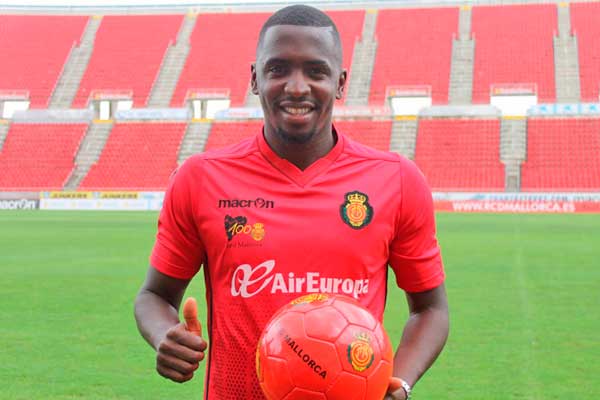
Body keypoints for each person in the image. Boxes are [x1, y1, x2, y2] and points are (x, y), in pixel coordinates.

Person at [134, 4, 449, 400]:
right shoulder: (201, 178)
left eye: (316, 71)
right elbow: (154, 296)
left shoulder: (398, 180)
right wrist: (166, 336)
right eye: (278, 69)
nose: (296, 87)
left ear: (340, 82)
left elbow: (431, 310)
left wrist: (398, 384)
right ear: (254, 78)